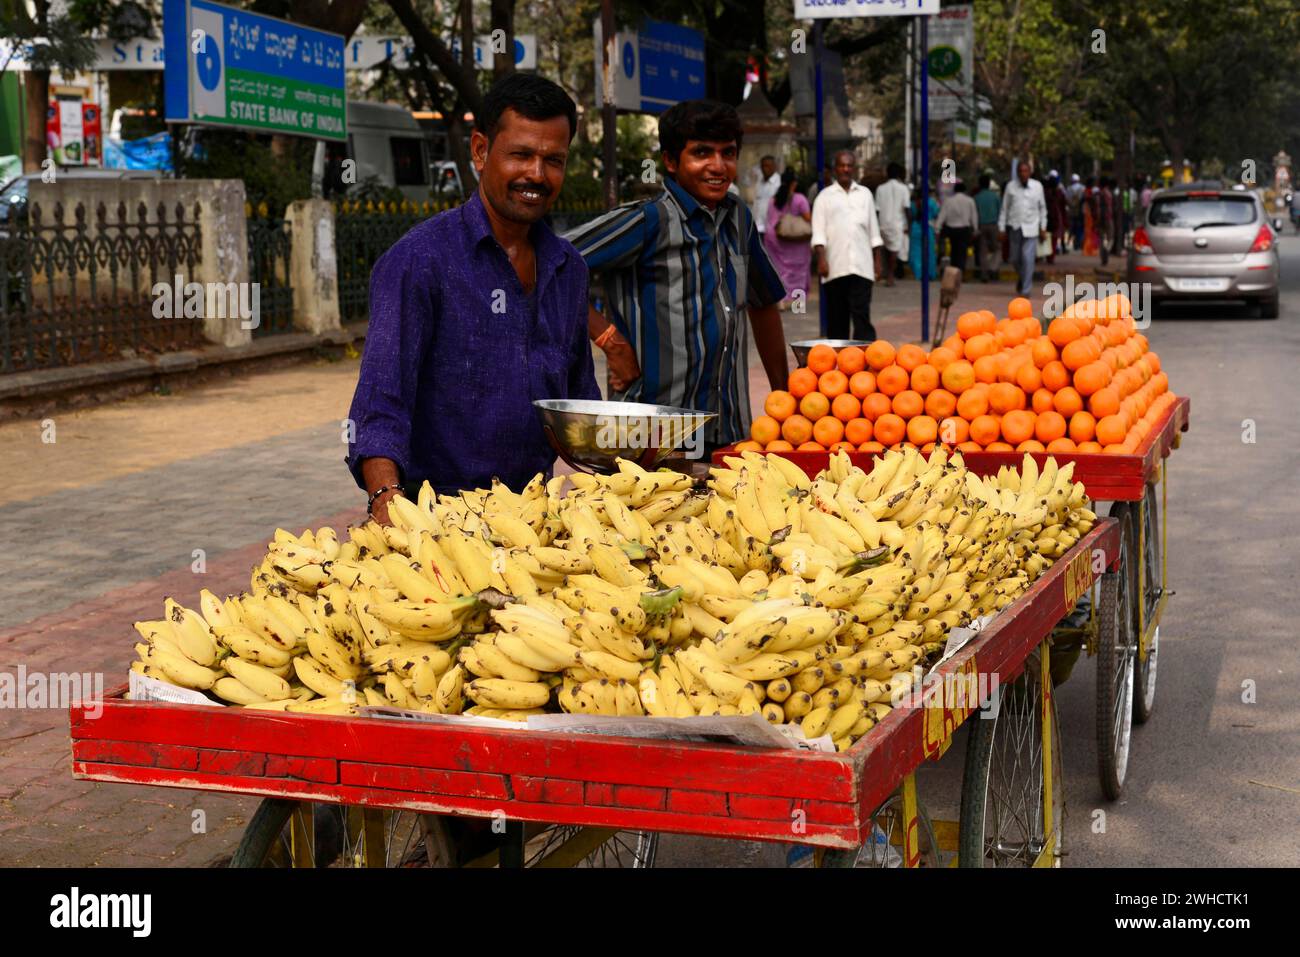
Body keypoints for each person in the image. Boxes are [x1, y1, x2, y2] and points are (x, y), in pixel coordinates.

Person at [346, 73, 599, 523]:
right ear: (481, 151)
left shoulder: (568, 269)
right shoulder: (418, 261)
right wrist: (388, 502)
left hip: (537, 523)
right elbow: (381, 405)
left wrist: (644, 466)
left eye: (553, 160)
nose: (536, 175)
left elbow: (581, 408)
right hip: (439, 519)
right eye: (521, 155)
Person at [566, 100, 789, 454]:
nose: (717, 166)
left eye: (727, 153)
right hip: (650, 431)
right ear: (671, 161)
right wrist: (611, 341)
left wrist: (785, 401)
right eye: (702, 153)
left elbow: (763, 305)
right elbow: (550, 264)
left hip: (724, 424)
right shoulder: (646, 221)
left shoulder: (739, 220)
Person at [811, 149, 884, 340]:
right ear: (835, 169)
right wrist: (821, 260)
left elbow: (874, 231)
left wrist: (877, 260)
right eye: (842, 165)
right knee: (837, 319)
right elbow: (818, 233)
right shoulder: (824, 197)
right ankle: (837, 364)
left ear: (854, 168)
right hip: (835, 267)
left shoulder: (865, 194)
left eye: (849, 165)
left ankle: (867, 362)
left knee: (861, 316)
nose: (846, 169)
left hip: (862, 266)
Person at [998, 158, 1048, 297]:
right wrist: (1001, 228)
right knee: (1014, 259)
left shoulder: (1037, 186)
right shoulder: (1010, 187)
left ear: (1030, 172)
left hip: (1031, 228)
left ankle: (1026, 290)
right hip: (1015, 226)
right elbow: (1004, 208)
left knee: (1027, 258)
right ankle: (1023, 277)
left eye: (1026, 171)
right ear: (1017, 173)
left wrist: (1043, 227)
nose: (1023, 173)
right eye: (1021, 171)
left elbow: (1043, 209)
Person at [763, 168, 812, 309]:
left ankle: (780, 300)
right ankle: (797, 305)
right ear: (794, 184)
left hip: (774, 239)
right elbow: (807, 218)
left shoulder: (773, 199)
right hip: (795, 241)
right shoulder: (799, 199)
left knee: (778, 270)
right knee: (797, 272)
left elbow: (769, 218)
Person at [874, 161, 910, 287]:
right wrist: (909, 224)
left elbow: (877, 209)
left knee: (884, 250)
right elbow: (907, 208)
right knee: (894, 251)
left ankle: (883, 273)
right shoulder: (903, 188)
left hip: (882, 223)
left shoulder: (880, 188)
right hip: (897, 223)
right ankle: (890, 275)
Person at [934, 179, 977, 275]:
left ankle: (954, 271)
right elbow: (974, 216)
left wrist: (937, 228)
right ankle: (961, 270)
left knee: (953, 251)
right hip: (964, 229)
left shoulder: (948, 201)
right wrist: (975, 229)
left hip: (951, 229)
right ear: (965, 190)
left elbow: (942, 215)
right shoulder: (970, 201)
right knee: (962, 251)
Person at [974, 174, 1001, 281]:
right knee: (997, 249)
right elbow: (1000, 211)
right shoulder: (995, 196)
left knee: (982, 251)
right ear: (989, 184)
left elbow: (974, 213)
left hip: (981, 226)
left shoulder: (977, 197)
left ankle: (984, 274)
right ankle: (993, 268)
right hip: (994, 225)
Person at [908, 187, 939, 282]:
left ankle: (919, 274)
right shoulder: (931, 202)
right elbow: (936, 214)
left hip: (915, 228)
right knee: (929, 252)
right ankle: (930, 274)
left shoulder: (913, 203)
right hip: (928, 228)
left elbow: (911, 215)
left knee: (916, 252)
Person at [752, 154, 781, 235]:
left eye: (768, 166)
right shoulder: (759, 183)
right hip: (758, 227)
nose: (765, 169)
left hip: (772, 229)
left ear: (774, 167)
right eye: (763, 166)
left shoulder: (779, 183)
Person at [1048, 174, 1069, 259]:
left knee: (1050, 237)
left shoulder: (1046, 192)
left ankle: (1051, 254)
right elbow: (1064, 205)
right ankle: (1051, 255)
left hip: (1050, 216)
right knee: (1055, 237)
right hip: (1056, 216)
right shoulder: (1059, 192)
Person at [1067, 172, 1085, 252]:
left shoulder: (1069, 189)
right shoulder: (1082, 188)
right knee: (1079, 228)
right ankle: (1078, 243)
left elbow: (1067, 199)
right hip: (1080, 211)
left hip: (1072, 211)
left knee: (1072, 228)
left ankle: (1073, 243)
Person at [1082, 176, 1099, 257]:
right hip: (1089, 213)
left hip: (1088, 212)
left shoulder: (1087, 191)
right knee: (1089, 231)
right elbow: (1089, 201)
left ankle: (1089, 248)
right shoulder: (1088, 192)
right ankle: (1088, 249)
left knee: (1089, 231)